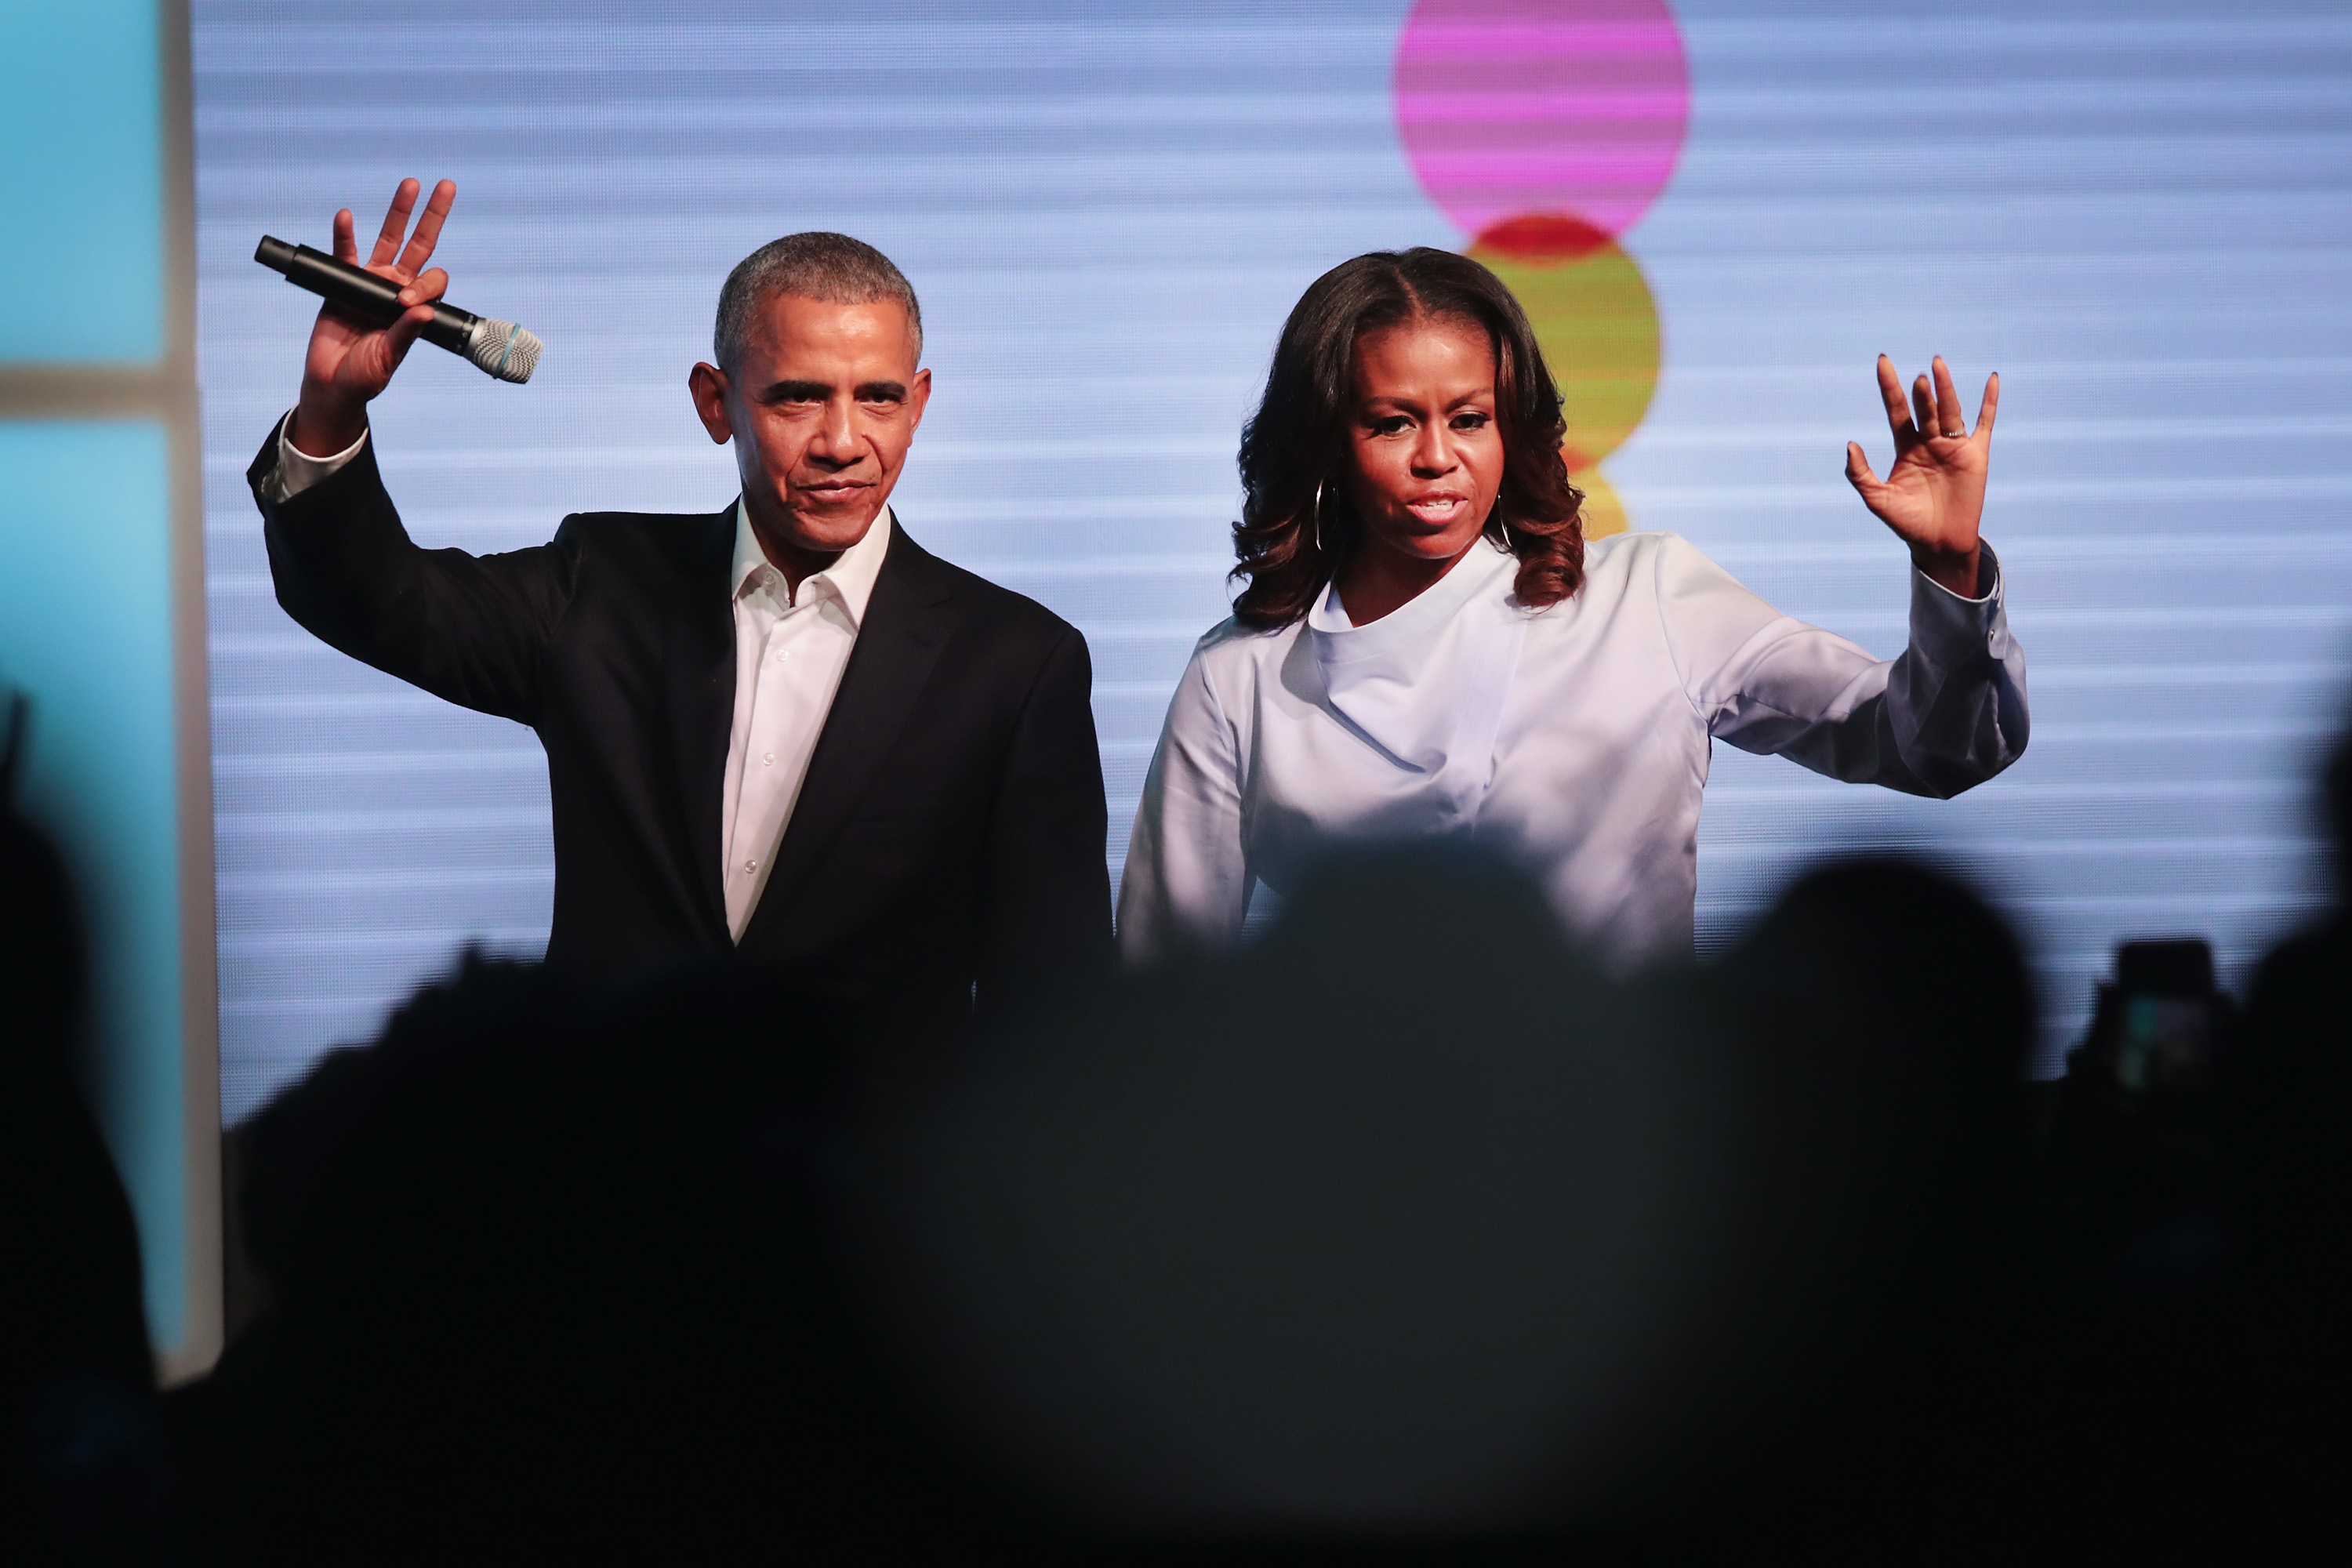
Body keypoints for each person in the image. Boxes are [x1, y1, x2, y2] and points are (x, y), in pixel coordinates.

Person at [250, 180, 1112, 1038]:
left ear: (918, 403)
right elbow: (378, 603)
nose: (843, 441)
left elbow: (1052, 1004)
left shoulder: (1016, 662)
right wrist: (332, 408)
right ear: (715, 401)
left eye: (878, 397)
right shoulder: (602, 581)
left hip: (886, 1175)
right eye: (798, 396)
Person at [1119, 248, 2028, 967]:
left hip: (1629, 1161)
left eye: (1469, 418)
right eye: (1392, 421)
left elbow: (1933, 748)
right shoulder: (1238, 673)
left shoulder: (1650, 596)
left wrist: (1947, 567)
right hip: (1350, 1168)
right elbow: (1164, 986)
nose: (1438, 457)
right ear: (1326, 442)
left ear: (1511, 427)